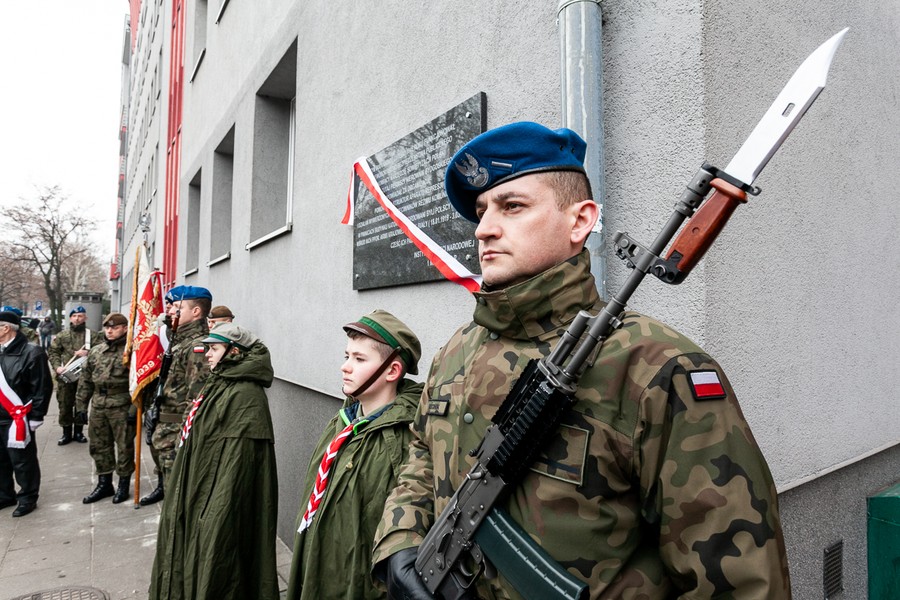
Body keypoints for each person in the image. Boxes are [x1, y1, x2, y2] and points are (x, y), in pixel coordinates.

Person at [372, 122, 791, 598]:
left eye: (512, 206)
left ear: (580, 221)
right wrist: (400, 543)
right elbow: (421, 456)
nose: (485, 228)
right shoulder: (457, 349)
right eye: (481, 211)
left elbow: (742, 582)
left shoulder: (657, 368)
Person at [286, 310, 424, 600]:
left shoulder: (402, 438)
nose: (345, 367)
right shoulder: (343, 421)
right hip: (320, 565)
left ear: (392, 371)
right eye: (347, 355)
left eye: (359, 359)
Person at [149, 323, 278, 600]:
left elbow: (235, 471)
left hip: (216, 496)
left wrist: (208, 513)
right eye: (207, 347)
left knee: (219, 558)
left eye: (214, 348)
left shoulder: (245, 394)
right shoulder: (220, 380)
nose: (207, 354)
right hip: (200, 486)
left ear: (235, 352)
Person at [141, 285, 212, 506]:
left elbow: (197, 400)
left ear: (196, 311)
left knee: (178, 502)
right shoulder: (179, 342)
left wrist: (183, 441)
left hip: (176, 437)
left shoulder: (197, 347)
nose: (170, 311)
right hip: (166, 433)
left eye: (177, 307)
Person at [76, 313, 136, 504]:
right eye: (107, 327)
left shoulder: (131, 352)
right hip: (99, 405)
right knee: (99, 445)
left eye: (115, 327)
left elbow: (140, 383)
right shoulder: (96, 351)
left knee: (124, 447)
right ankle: (104, 483)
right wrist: (81, 406)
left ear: (125, 329)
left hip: (121, 405)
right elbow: (85, 380)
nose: (109, 331)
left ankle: (124, 484)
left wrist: (135, 409)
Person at [0, 309, 53, 517]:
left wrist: (36, 416)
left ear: (5, 328)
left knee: (23, 461)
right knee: (1, 460)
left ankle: (28, 497)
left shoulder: (32, 352)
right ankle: (5, 495)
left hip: (18, 418)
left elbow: (41, 387)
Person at [48, 306, 102, 445]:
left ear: (85, 318)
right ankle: (66, 433)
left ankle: (78, 432)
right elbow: (53, 352)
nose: (77, 318)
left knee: (81, 404)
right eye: (74, 316)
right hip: (66, 376)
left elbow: (102, 352)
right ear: (70, 318)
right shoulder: (62, 335)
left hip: (84, 377)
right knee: (65, 404)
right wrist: (57, 367)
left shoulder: (93, 335)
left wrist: (88, 353)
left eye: (80, 316)